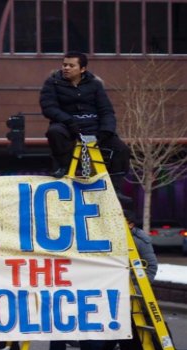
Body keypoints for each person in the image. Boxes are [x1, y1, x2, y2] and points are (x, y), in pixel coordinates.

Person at [39, 51, 132, 203]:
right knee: (54, 132)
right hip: (66, 125)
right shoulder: (52, 83)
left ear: (82, 69)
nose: (66, 68)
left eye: (71, 65)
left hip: (93, 127)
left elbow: (106, 111)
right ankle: (63, 166)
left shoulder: (95, 85)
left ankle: (115, 189)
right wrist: (69, 122)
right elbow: (48, 108)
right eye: (64, 65)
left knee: (122, 150)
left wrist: (106, 131)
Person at [123, 210, 158, 283]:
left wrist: (138, 289)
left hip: (130, 287)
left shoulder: (139, 241)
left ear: (130, 225)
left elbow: (150, 267)